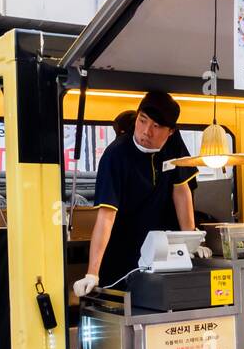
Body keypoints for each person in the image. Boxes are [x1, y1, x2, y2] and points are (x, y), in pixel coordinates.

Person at [73, 91, 197, 295]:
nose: (146, 131)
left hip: (163, 254)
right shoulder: (115, 156)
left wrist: (190, 240)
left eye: (156, 127)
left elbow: (181, 190)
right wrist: (92, 273)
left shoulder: (174, 144)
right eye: (142, 120)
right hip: (123, 256)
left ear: (171, 132)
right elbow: (106, 216)